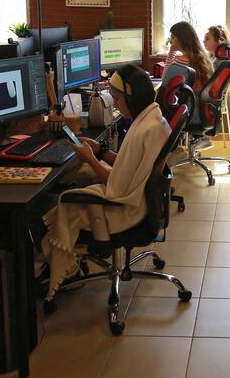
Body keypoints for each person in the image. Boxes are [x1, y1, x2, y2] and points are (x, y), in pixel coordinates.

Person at [40, 65, 170, 301]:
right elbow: (128, 167)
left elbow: (116, 184)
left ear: (130, 96)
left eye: (117, 97)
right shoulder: (152, 118)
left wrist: (89, 157)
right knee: (80, 176)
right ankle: (66, 266)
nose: (116, 102)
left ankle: (65, 270)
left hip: (124, 211)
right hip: (143, 203)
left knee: (60, 200)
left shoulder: (143, 130)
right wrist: (101, 150)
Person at [164, 21, 214, 93]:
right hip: (197, 101)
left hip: (183, 102)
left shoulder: (180, 62)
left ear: (181, 39)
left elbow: (165, 81)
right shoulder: (203, 57)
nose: (170, 41)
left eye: (173, 37)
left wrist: (171, 53)